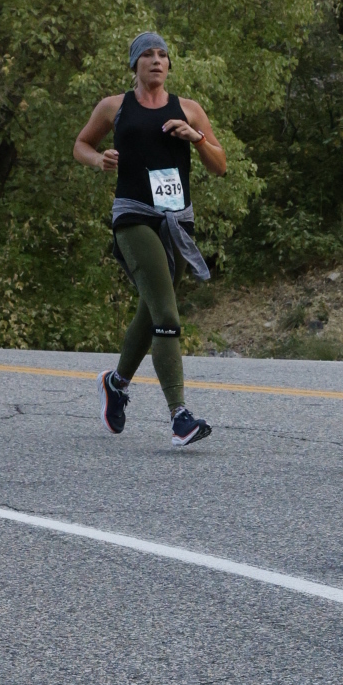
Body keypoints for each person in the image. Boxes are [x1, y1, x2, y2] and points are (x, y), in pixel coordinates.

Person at [73, 31, 227, 448]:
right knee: (167, 315)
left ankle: (116, 383)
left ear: (169, 65)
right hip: (134, 217)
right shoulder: (115, 106)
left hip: (176, 221)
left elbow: (220, 165)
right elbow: (81, 144)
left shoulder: (189, 109)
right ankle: (179, 416)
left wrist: (196, 138)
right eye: (147, 55)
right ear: (135, 64)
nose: (156, 60)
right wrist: (98, 159)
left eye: (162, 55)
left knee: (152, 308)